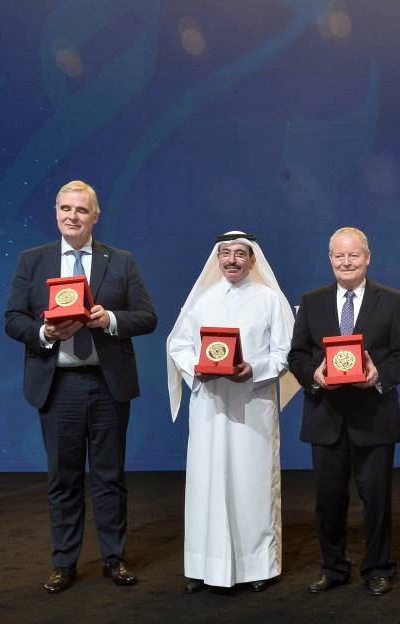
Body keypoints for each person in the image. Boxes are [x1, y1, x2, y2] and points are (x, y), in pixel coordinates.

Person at [4, 180, 157, 593]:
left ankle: (114, 558)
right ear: (56, 212)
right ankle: (64, 562)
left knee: (109, 476)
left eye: (81, 210)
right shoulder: (32, 260)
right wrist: (45, 333)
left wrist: (110, 320)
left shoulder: (121, 261)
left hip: (108, 384)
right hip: (58, 385)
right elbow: (13, 319)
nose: (72, 216)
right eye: (65, 208)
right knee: (63, 479)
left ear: (95, 216)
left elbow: (147, 317)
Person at [166, 231, 300, 594]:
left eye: (240, 254)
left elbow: (286, 351)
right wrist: (196, 368)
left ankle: (258, 567)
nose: (232, 260)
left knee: (251, 484)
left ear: (252, 260)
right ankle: (203, 566)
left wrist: (253, 368)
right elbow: (178, 344)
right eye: (225, 253)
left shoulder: (269, 299)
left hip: (252, 407)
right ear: (217, 258)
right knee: (206, 484)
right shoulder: (202, 298)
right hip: (209, 406)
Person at [288, 227, 400, 597]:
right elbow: (297, 355)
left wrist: (379, 376)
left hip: (374, 417)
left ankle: (378, 568)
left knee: (377, 501)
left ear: (367, 257)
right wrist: (314, 375)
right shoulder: (311, 301)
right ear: (330, 258)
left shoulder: (392, 300)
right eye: (339, 256)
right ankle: (333, 568)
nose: (346, 262)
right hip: (325, 418)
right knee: (327, 501)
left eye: (353, 255)